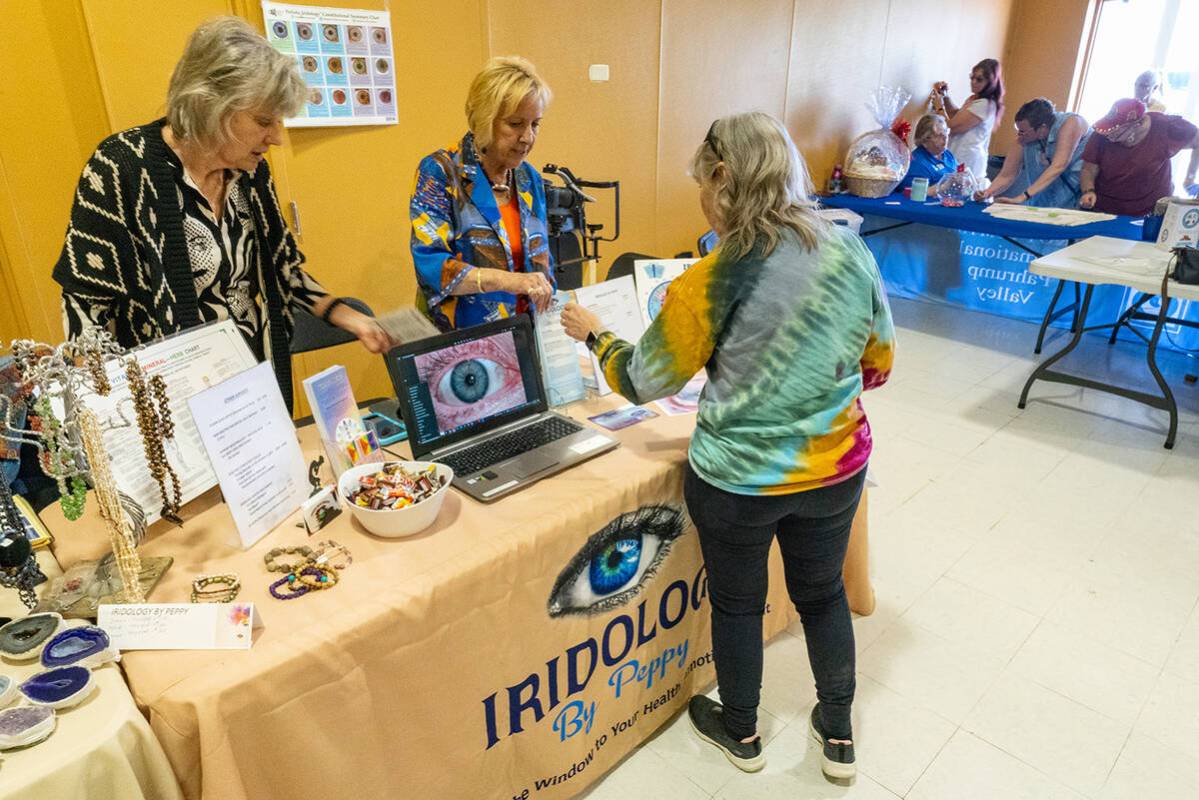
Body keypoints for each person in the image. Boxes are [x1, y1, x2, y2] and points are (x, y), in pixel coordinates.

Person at [560, 112, 894, 782]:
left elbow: (644, 379)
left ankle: (740, 729)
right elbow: (879, 364)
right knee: (821, 594)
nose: (700, 203)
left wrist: (596, 335)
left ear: (721, 176)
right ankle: (836, 732)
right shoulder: (849, 251)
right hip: (834, 471)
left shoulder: (709, 280)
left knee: (737, 605)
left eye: (700, 187)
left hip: (737, 484)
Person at [52, 17, 388, 411]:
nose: (277, 137)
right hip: (167, 408)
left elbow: (284, 270)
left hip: (255, 388)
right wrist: (110, 416)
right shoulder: (121, 167)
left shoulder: (250, 171)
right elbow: (85, 308)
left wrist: (348, 316)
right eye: (264, 120)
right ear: (210, 104)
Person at [410, 56, 555, 331]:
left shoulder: (529, 178)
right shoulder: (441, 172)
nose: (528, 138)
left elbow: (541, 262)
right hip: (461, 338)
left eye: (535, 124)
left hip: (525, 332)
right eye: (515, 124)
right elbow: (432, 267)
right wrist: (507, 280)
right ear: (484, 119)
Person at [1079, 98, 1199, 215]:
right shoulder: (1102, 133)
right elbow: (1088, 169)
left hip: (1152, 211)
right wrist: (1088, 191)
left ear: (1138, 124)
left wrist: (1190, 178)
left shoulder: (1166, 126)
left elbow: (1197, 142)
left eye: (1117, 131)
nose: (1110, 135)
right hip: (1105, 208)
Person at [976, 98, 1091, 207]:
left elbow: (1058, 166)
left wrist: (1022, 197)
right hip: (1046, 198)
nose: (1019, 136)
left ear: (1042, 128)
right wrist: (987, 193)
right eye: (1018, 130)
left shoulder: (1071, 123)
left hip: (1078, 193)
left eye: (1022, 131)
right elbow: (1007, 175)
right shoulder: (1025, 138)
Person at [930, 58, 1004, 181]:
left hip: (968, 159)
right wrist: (946, 97)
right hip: (961, 154)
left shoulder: (985, 104)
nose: (973, 82)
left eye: (979, 79)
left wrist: (939, 107)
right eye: (972, 77)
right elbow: (957, 115)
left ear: (990, 82)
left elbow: (951, 127)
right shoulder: (975, 99)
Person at [899, 114, 958, 194]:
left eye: (946, 132)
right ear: (924, 140)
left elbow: (959, 175)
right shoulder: (917, 163)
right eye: (939, 135)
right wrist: (944, 186)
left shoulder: (947, 154)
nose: (945, 138)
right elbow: (914, 194)